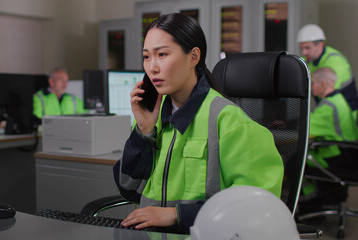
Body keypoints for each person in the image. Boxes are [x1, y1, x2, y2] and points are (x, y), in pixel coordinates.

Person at [113, 13, 284, 233]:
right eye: (147, 57)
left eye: (162, 54)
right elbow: (127, 189)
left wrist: (178, 215)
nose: (152, 67)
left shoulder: (230, 122)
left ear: (193, 57)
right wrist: (143, 132)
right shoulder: (156, 117)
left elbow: (257, 205)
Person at [299, 68, 358, 210]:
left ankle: (312, 202)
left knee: (296, 162)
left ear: (324, 84)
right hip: (349, 156)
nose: (311, 87)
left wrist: (286, 124)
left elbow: (305, 127)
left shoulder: (328, 106)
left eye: (313, 83)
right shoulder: (340, 100)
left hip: (337, 158)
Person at [297, 24, 358, 112]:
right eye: (301, 48)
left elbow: (327, 90)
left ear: (320, 44)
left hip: (346, 113)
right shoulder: (308, 60)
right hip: (330, 109)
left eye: (307, 48)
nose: (304, 52)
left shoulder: (335, 61)